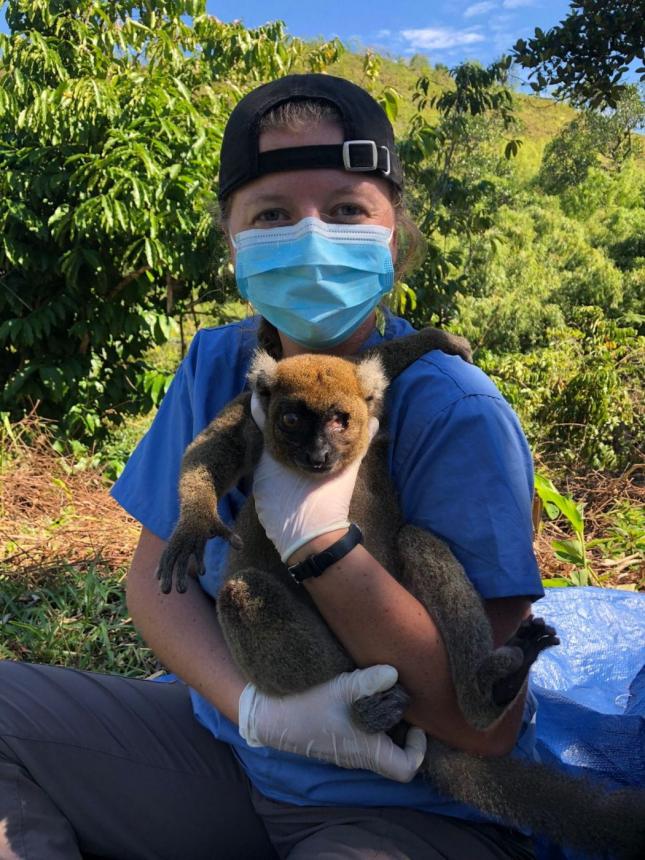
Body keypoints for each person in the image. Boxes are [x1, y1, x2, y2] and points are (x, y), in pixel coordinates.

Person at [0, 74, 542, 860]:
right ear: (233, 240)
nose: (312, 237)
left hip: (411, 802)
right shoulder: (221, 362)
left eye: (348, 209)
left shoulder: (452, 408)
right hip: (233, 759)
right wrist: (256, 711)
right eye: (273, 215)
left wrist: (319, 546)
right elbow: (157, 580)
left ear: (395, 236)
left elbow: (483, 726)